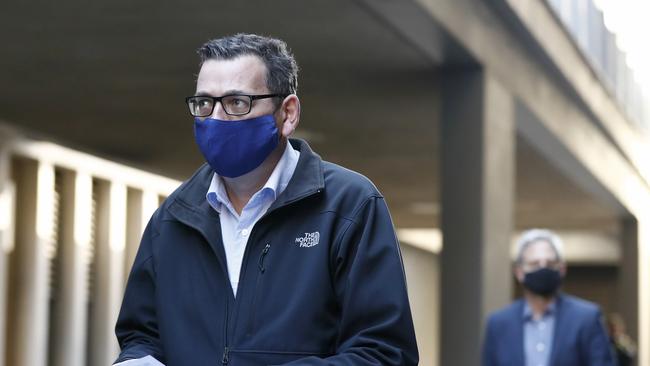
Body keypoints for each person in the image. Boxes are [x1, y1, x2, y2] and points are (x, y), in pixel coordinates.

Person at [113, 33, 418, 366]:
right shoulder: (172, 218)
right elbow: (141, 336)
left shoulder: (349, 207)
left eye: (237, 103)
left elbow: (385, 353)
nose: (215, 118)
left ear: (287, 114)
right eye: (204, 103)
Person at [481, 229, 616, 366]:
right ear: (519, 272)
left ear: (562, 269)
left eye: (550, 264)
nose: (543, 268)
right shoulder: (499, 323)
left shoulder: (587, 318)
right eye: (534, 264)